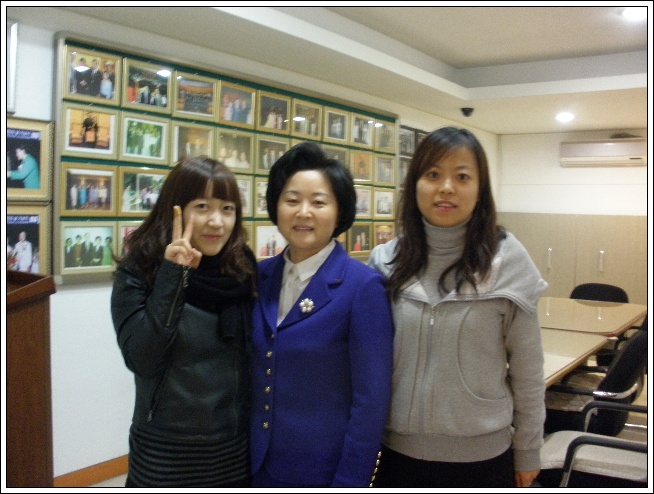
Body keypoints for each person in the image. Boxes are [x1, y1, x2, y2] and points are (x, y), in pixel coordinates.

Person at [368, 127, 547, 488]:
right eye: (433, 174)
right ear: (415, 184)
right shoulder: (384, 263)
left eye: (462, 177)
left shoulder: (508, 263)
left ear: (480, 189)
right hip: (397, 455)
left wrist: (529, 448)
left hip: (482, 459)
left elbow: (528, 372)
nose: (446, 187)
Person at [250, 141, 394, 487]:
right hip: (254, 465)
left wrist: (350, 482)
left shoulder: (362, 288)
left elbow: (370, 402)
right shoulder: (258, 276)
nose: (303, 212)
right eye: (292, 200)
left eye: (318, 202)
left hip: (321, 471)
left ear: (339, 210)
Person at [111, 156, 257, 487]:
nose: (217, 221)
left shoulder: (242, 270)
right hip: (166, 452)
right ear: (174, 208)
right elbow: (143, 359)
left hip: (233, 449)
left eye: (227, 209)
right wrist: (173, 276)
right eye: (202, 207)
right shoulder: (140, 271)